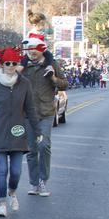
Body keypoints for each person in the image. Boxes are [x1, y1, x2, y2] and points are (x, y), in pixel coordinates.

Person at [0, 47, 41, 218]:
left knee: (16, 171)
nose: (11, 66)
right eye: (7, 63)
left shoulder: (24, 83)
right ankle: (1, 202)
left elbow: (30, 109)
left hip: (18, 133)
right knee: (2, 170)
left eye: (14, 63)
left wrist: (38, 130)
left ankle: (12, 192)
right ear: (2, 65)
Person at [19, 33, 68, 197]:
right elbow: (10, 81)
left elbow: (64, 85)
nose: (32, 52)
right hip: (28, 114)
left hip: (46, 112)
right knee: (32, 150)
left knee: (44, 146)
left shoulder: (51, 64)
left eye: (35, 49)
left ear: (41, 49)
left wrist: (53, 78)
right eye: (29, 49)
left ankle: (43, 181)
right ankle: (34, 183)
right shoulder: (23, 66)